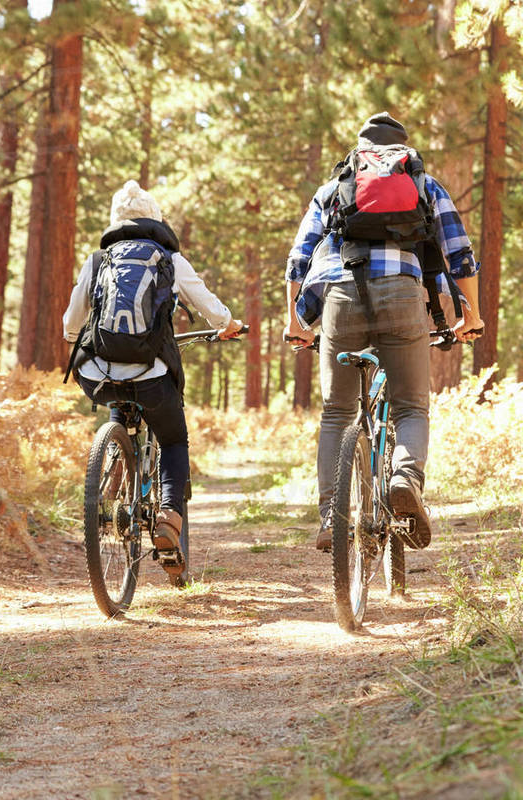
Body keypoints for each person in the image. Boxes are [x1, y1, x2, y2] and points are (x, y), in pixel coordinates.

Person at [283, 112, 482, 553]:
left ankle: (331, 518)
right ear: (402, 150)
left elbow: (298, 258)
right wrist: (471, 315)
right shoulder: (424, 184)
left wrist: (296, 321)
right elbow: (459, 252)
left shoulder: (334, 188)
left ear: (361, 151)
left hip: (340, 296)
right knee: (410, 407)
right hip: (402, 295)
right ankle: (404, 480)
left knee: (337, 412)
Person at [64, 180, 243, 576]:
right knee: (173, 439)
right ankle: (168, 517)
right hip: (153, 374)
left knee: (118, 408)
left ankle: (117, 479)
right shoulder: (168, 259)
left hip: (101, 374)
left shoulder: (98, 260)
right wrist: (228, 325)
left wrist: (74, 338)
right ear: (156, 219)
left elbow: (71, 323)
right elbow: (210, 307)